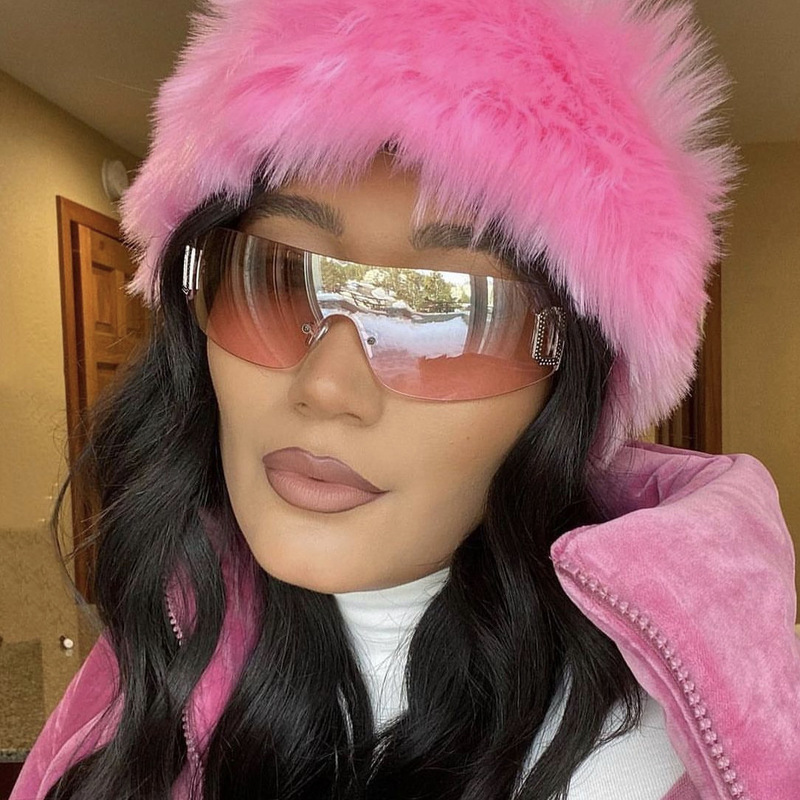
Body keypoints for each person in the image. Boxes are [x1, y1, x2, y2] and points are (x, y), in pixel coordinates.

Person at [11, 0, 800, 798]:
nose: (327, 386)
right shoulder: (143, 670)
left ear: (563, 397)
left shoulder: (649, 765)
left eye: (449, 316)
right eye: (278, 279)